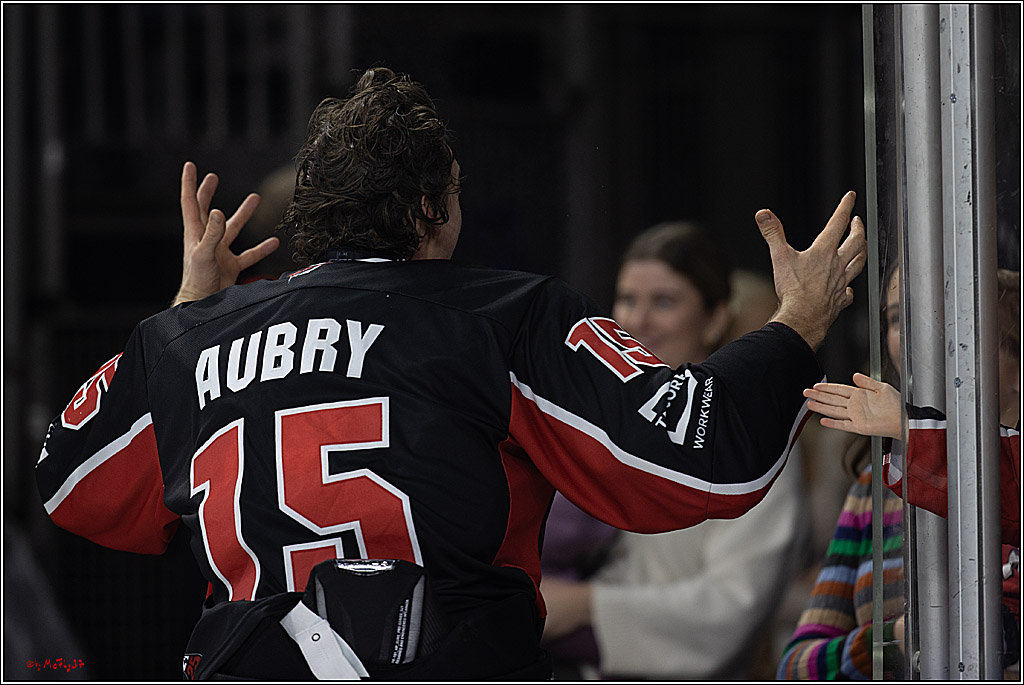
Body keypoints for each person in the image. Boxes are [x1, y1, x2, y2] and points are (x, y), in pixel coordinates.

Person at [34, 67, 866, 680]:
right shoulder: (501, 316)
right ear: (433, 207)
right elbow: (697, 449)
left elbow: (69, 486)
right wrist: (800, 320)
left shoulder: (184, 340)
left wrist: (186, 308)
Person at [539, 223, 809, 680]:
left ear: (715, 318)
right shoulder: (587, 417)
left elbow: (728, 612)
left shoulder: (751, 436)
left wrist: (583, 606)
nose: (639, 320)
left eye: (663, 302)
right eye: (628, 300)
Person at [779, 268, 1020, 678]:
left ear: (1012, 326)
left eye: (947, 307)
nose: (918, 332)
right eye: (897, 318)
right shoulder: (877, 482)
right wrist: (897, 643)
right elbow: (797, 666)